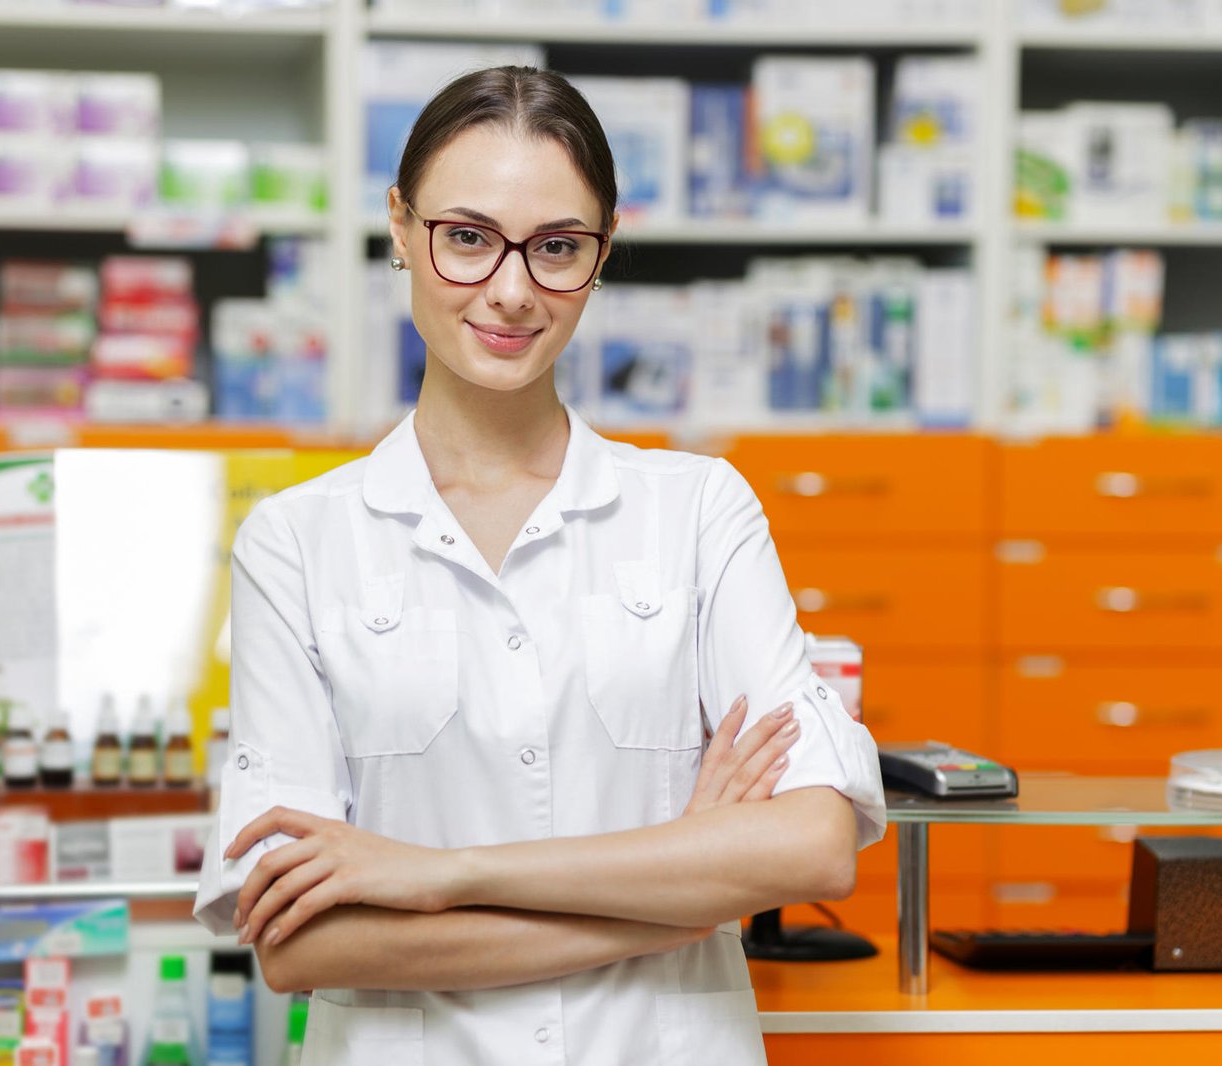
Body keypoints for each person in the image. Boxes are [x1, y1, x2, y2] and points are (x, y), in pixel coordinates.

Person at [193, 66, 885, 1065]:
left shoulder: (698, 509)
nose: (512, 290)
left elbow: (812, 846)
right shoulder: (296, 542)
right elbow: (302, 943)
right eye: (468, 238)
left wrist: (441, 873)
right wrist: (683, 897)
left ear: (602, 252)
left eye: (557, 247)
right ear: (400, 227)